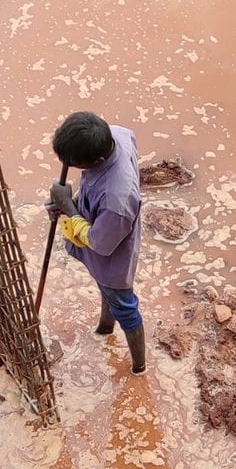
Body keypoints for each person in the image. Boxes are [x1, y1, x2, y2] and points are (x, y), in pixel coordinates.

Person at [46, 109, 146, 375]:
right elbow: (92, 185)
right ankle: (105, 327)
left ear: (99, 159)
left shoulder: (118, 199)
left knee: (123, 303)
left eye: (80, 166)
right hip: (100, 225)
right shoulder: (116, 134)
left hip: (111, 247)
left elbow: (99, 244)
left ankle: (139, 367)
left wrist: (69, 207)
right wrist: (74, 202)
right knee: (107, 290)